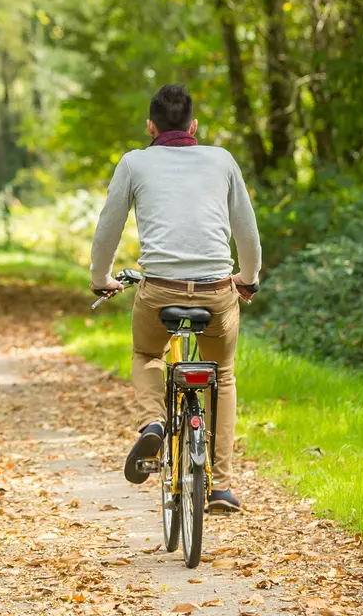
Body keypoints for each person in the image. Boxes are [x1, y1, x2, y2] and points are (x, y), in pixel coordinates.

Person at [89, 84, 261, 513]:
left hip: (160, 289)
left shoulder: (134, 163)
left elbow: (108, 227)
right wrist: (249, 278)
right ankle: (220, 485)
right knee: (222, 372)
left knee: (147, 353)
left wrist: (101, 278)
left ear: (150, 126)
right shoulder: (222, 160)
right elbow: (247, 231)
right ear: (194, 126)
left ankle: (153, 424)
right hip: (217, 292)